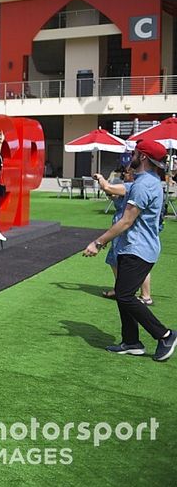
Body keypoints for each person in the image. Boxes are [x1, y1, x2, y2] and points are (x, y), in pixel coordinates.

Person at [83, 140, 175, 361]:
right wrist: (104, 183)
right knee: (124, 295)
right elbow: (118, 189)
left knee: (124, 296)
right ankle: (131, 342)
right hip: (131, 248)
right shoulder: (143, 181)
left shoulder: (144, 185)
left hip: (139, 250)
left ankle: (165, 335)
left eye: (134, 153)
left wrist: (98, 242)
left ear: (142, 157)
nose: (130, 156)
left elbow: (126, 221)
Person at [95, 167, 153, 304]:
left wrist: (100, 178)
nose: (124, 174)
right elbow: (112, 194)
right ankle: (120, 289)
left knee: (136, 265)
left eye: (127, 172)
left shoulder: (132, 187)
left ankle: (145, 295)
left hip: (127, 232)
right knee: (114, 260)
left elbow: (108, 188)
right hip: (121, 230)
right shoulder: (127, 188)